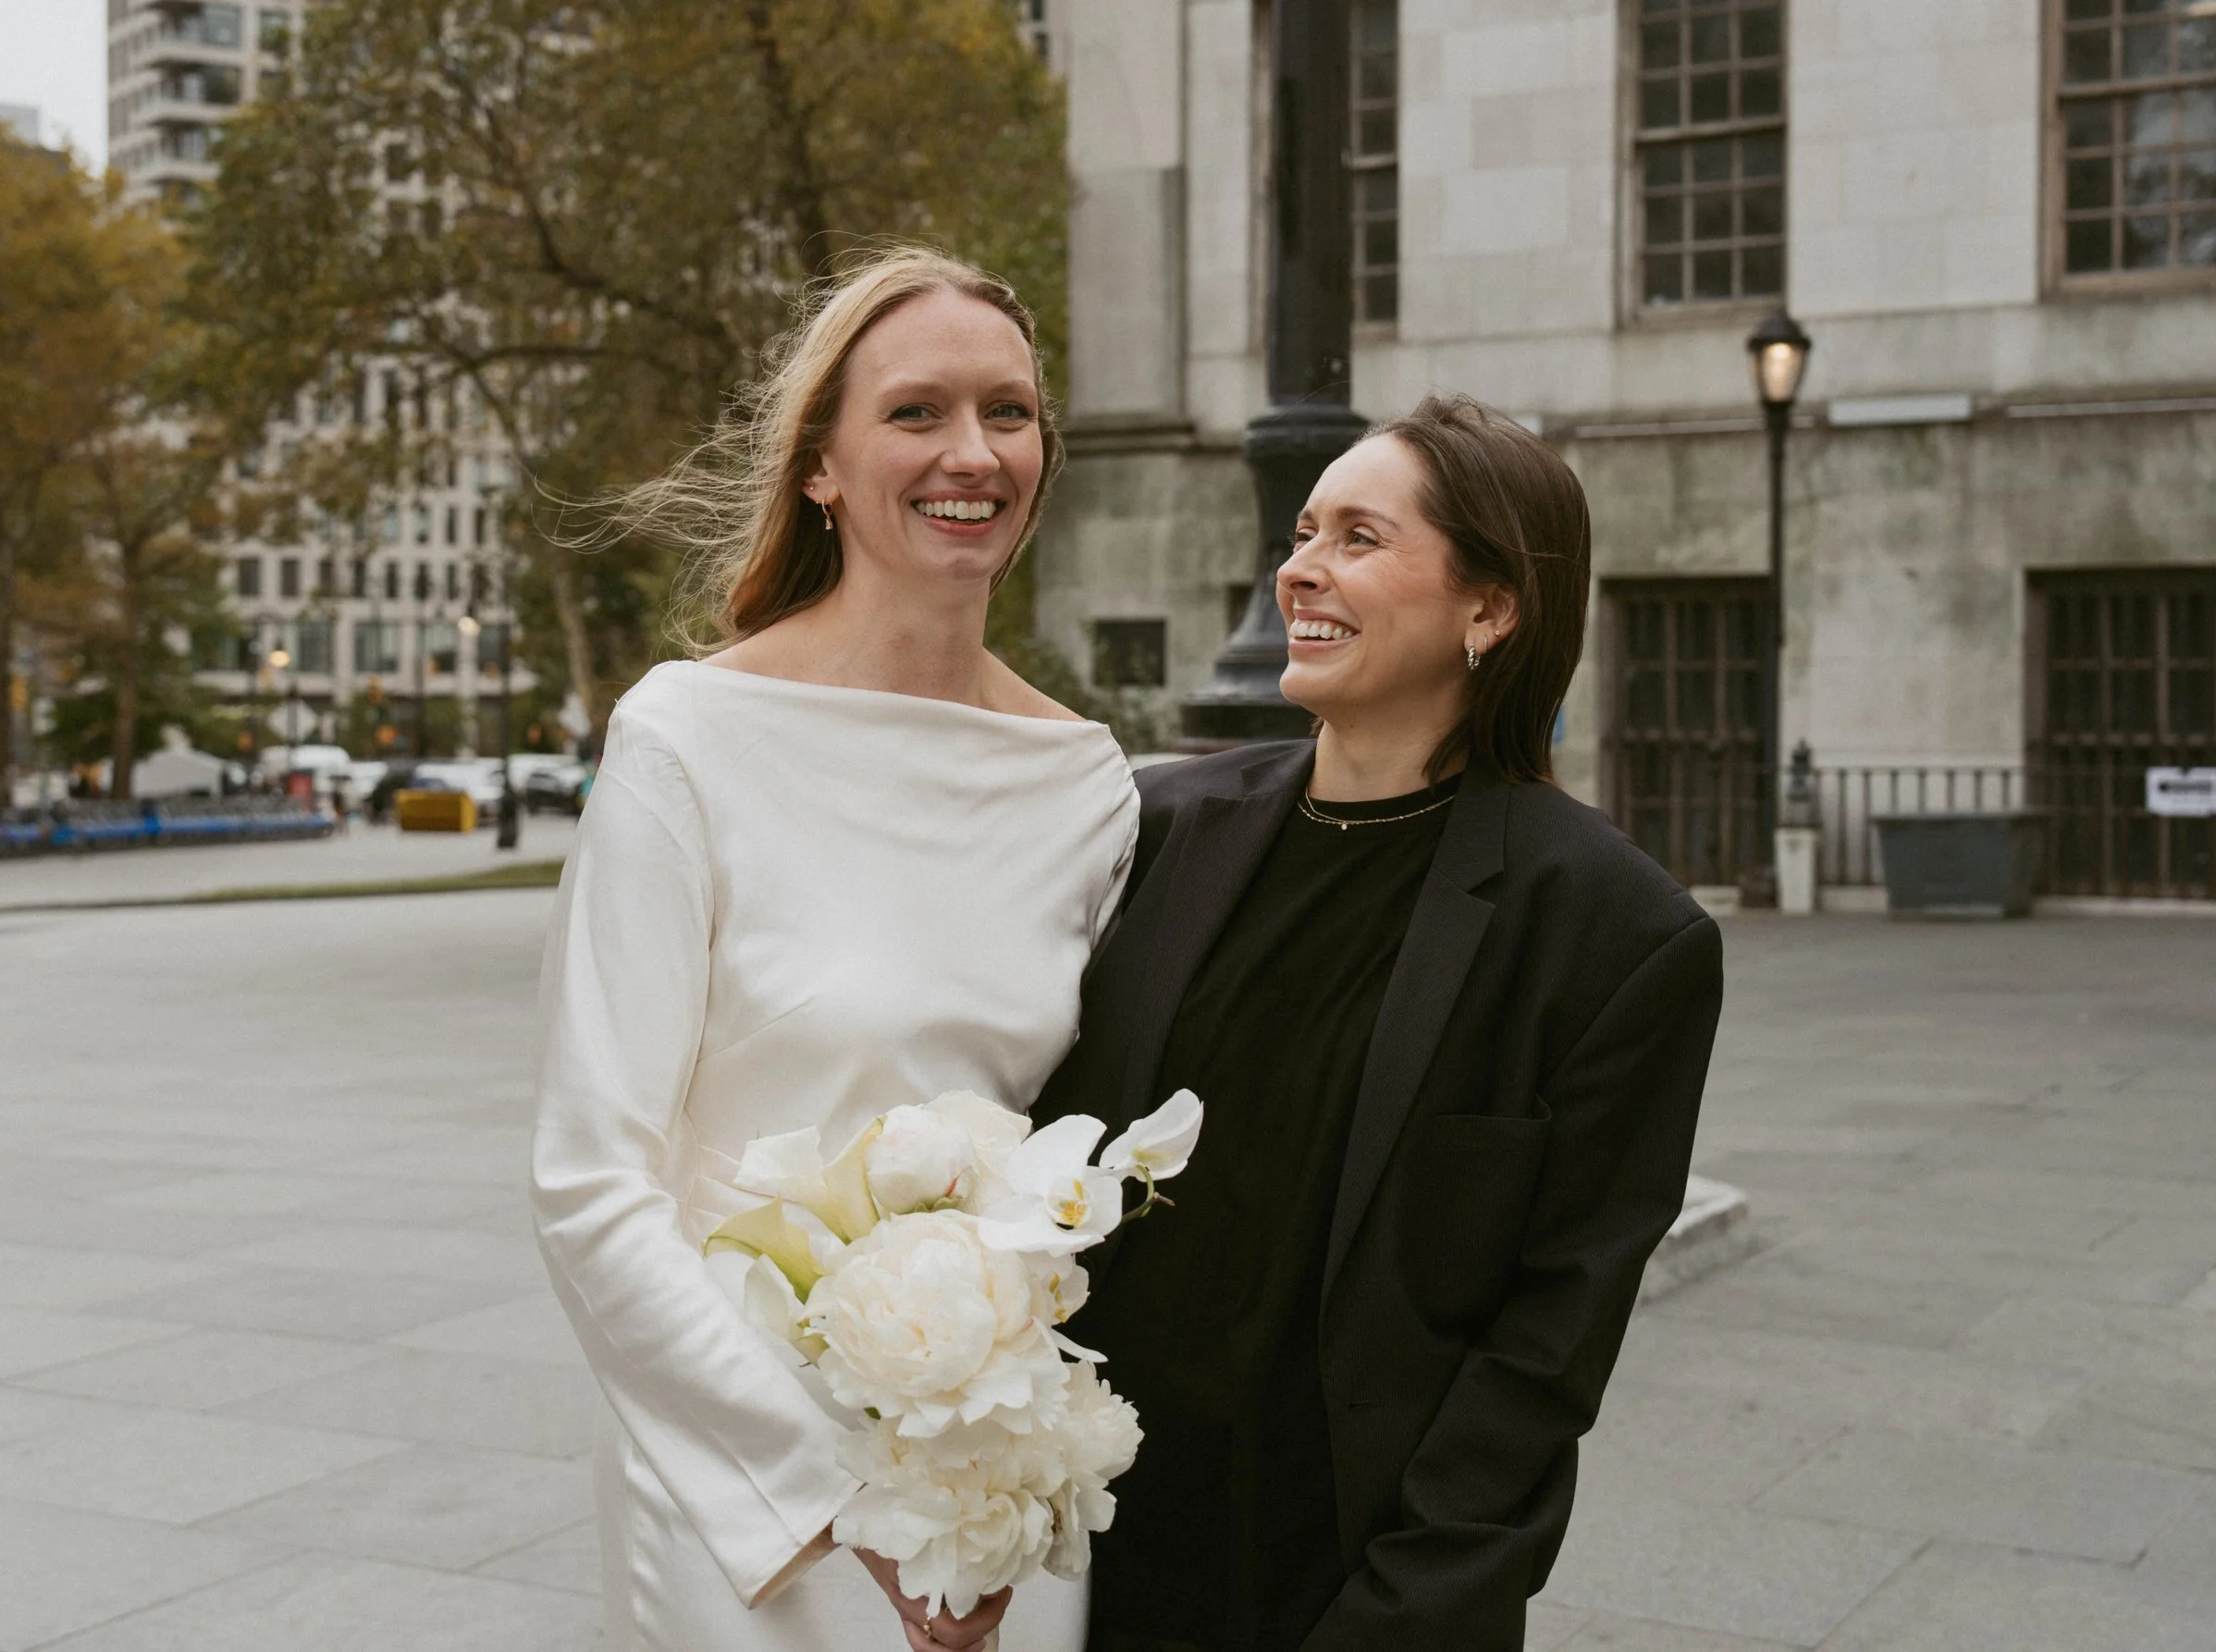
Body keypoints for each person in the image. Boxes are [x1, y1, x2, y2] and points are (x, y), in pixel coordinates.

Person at [1037, 394, 1725, 1652]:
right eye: (1304, 532)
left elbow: (1544, 1347)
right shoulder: (1157, 830)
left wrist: (1404, 1613)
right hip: (1085, 1555)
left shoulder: (1618, 935)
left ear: (1491, 606)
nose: (1299, 568)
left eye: (1359, 537)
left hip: (1355, 1581)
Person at [531, 248, 1137, 1652]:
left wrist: (992, 1483)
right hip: (748, 1497)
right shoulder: (686, 740)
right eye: (917, 412)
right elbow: (588, 1182)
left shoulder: (1089, 784)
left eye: (1010, 411)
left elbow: (1078, 1152)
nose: (972, 454)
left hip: (998, 1500)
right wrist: (832, 1498)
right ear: (821, 464)